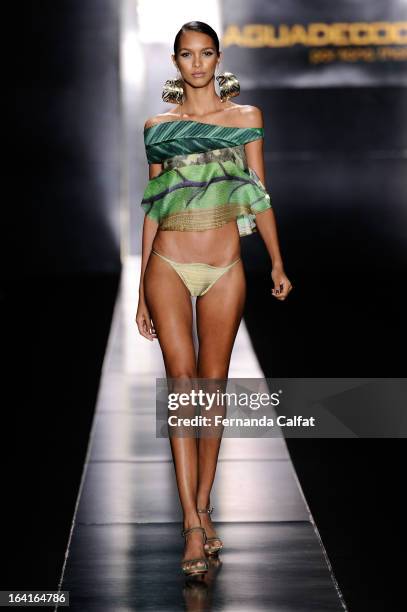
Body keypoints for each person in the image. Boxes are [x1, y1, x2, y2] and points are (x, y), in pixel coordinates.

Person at [135, 21, 293, 577]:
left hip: (226, 264)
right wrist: (139, 293)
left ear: (218, 58)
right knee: (182, 387)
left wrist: (275, 259)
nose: (196, 64)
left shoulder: (245, 118)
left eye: (206, 54)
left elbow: (260, 191)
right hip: (168, 265)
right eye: (187, 55)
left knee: (213, 385)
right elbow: (154, 204)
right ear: (176, 63)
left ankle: (204, 501)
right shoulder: (157, 127)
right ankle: (192, 526)